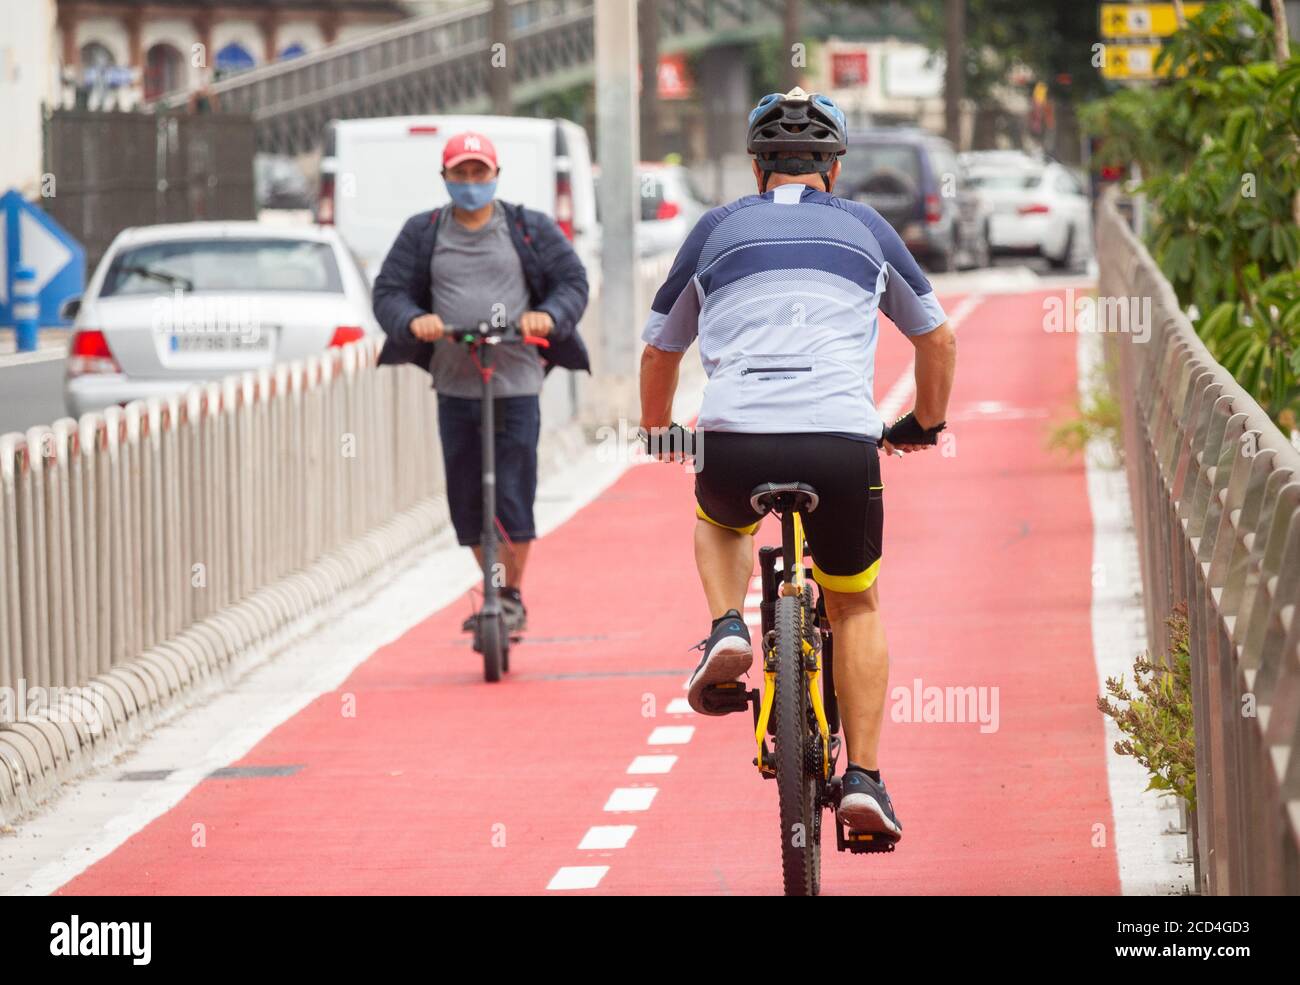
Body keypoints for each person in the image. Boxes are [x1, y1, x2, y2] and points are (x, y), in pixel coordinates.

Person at [637, 89, 957, 842]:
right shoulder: (868, 227)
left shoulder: (715, 228)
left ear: (757, 170)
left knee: (719, 517)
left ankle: (724, 626)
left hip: (734, 439)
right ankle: (867, 781)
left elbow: (660, 348)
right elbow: (937, 341)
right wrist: (926, 423)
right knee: (854, 606)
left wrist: (659, 433)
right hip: (840, 443)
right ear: (834, 170)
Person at [372, 131, 590, 634]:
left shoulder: (526, 227)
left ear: (495, 176)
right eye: (460, 174)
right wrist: (412, 321)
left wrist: (547, 316)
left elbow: (572, 282)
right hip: (455, 382)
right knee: (467, 494)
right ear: (446, 179)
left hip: (515, 379)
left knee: (512, 489)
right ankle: (492, 586)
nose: (471, 184)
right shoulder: (423, 232)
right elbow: (389, 292)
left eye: (479, 174)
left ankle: (510, 594)